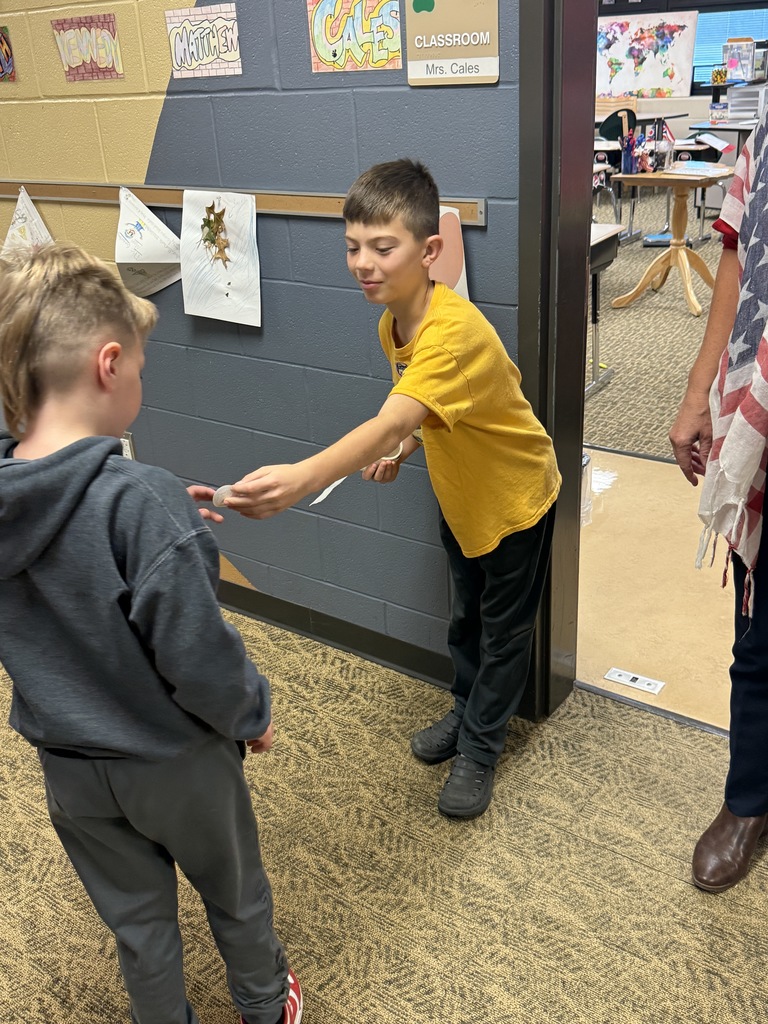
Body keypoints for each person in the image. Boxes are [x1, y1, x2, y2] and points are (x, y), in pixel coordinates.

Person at [0, 243, 302, 1024]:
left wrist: (159, 516)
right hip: (174, 762)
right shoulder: (145, 503)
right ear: (108, 364)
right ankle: (267, 1006)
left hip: (69, 767)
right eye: (139, 365)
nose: (140, 378)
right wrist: (253, 715)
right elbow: (198, 658)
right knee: (235, 891)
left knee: (138, 925)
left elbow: (67, 558)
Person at [222, 159, 561, 819]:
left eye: (383, 247)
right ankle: (467, 712)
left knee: (505, 632)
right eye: (353, 246)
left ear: (429, 250)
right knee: (465, 618)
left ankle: (481, 751)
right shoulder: (393, 325)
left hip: (516, 502)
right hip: (463, 499)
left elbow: (395, 414)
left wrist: (305, 479)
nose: (362, 263)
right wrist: (405, 449)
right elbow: (425, 412)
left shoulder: (454, 332)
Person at [669, 111, 768, 893]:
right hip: (762, 412)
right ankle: (748, 801)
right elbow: (737, 248)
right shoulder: (766, 121)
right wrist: (699, 390)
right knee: (759, 630)